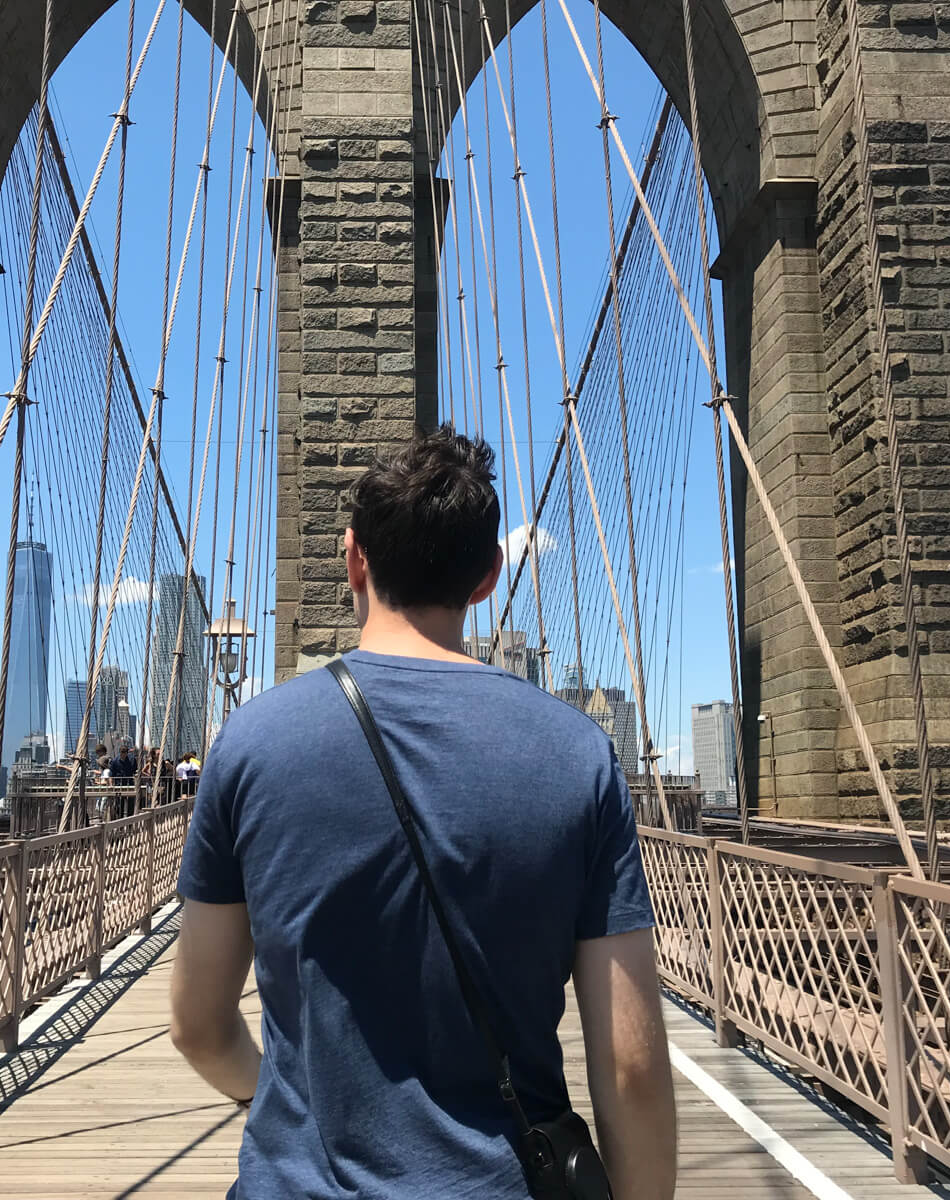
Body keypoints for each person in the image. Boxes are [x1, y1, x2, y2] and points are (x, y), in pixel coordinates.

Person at [170, 425, 675, 1199]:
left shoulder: (249, 744)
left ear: (352, 559)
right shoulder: (577, 754)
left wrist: (265, 1095)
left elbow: (199, 1026)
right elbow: (632, 1070)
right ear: (486, 578)